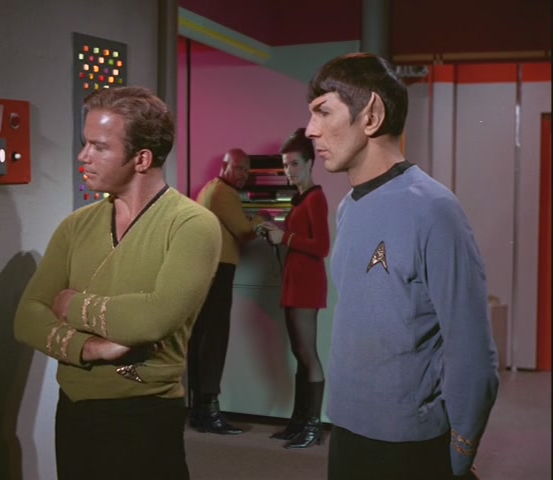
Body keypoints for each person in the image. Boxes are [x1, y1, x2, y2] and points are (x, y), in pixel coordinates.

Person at [304, 53, 499, 480]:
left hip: (408, 445)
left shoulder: (434, 209)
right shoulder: (347, 207)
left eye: (323, 111)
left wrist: (458, 455)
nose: (310, 130)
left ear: (371, 115)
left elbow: (473, 352)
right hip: (347, 430)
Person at [13, 86, 221, 480]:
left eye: (99, 146)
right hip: (74, 408)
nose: (83, 156)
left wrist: (70, 305)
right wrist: (91, 348)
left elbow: (154, 318)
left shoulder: (192, 224)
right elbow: (26, 318)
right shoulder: (76, 225)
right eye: (85, 143)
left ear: (141, 159)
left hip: (144, 413)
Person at [187, 148, 269, 435]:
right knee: (214, 340)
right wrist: (261, 219)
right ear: (225, 166)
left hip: (207, 270)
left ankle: (200, 411)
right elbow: (244, 232)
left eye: (247, 169)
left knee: (204, 339)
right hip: (218, 271)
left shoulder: (212, 189)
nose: (244, 174)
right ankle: (208, 413)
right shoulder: (224, 192)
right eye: (239, 167)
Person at [260, 128, 330, 449]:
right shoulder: (300, 198)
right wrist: (275, 231)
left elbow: (322, 246)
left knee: (307, 353)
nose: (289, 170)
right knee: (299, 353)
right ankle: (299, 422)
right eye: (285, 165)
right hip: (295, 281)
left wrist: (284, 237)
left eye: (294, 164)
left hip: (307, 283)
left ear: (310, 163)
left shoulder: (315, 198)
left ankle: (312, 427)